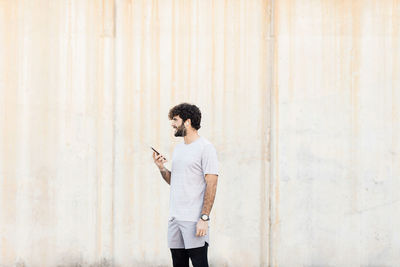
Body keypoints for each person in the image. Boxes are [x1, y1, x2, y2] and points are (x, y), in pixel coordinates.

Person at [152, 103, 219, 267]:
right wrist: (161, 168)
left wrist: (204, 218)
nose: (172, 124)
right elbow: (174, 181)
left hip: (193, 220)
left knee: (199, 263)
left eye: (175, 120)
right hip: (175, 218)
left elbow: (212, 184)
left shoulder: (206, 148)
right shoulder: (179, 149)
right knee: (178, 264)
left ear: (187, 121)